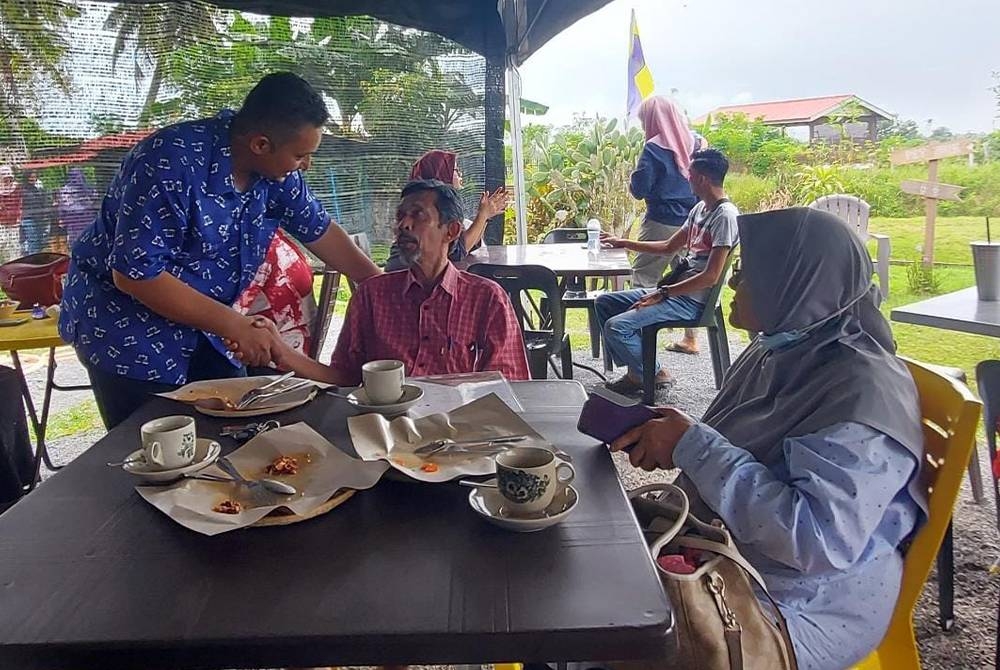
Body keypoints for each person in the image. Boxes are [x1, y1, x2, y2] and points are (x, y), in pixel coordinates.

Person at [609, 207, 927, 670]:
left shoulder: (859, 394)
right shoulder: (781, 349)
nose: (733, 283)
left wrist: (693, 446)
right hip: (734, 556)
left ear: (798, 283)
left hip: (801, 604)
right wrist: (673, 437)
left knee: (602, 621)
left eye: (747, 272)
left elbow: (815, 541)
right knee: (592, 576)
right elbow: (728, 446)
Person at [59, 72, 380, 429]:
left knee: (234, 432)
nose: (306, 165)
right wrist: (236, 326)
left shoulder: (277, 175)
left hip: (208, 328)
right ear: (261, 144)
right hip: (130, 334)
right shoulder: (169, 163)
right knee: (155, 445)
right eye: (301, 155)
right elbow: (135, 275)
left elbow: (319, 229)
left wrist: (381, 286)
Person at [236, 179, 530, 384]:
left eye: (418, 215)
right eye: (400, 216)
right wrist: (282, 352)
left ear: (451, 231)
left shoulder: (486, 298)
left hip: (460, 437)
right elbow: (344, 378)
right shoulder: (372, 296)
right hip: (380, 435)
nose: (403, 224)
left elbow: (511, 384)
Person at [596, 149, 738, 395]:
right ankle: (638, 373)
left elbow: (711, 276)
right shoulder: (699, 209)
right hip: (676, 293)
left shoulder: (725, 217)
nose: (687, 179)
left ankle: (656, 373)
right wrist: (624, 242)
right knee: (604, 303)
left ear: (702, 179)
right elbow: (668, 247)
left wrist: (663, 293)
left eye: (690, 174)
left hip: (693, 301)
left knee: (616, 327)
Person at [629, 96, 701, 355]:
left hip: (661, 222)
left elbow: (640, 189)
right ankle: (690, 338)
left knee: (643, 277)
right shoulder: (698, 142)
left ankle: (638, 341)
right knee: (688, 276)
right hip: (694, 222)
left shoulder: (654, 148)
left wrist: (633, 176)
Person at [384, 149, 506, 271]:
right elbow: (459, 251)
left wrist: (486, 215)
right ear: (442, 171)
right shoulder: (432, 207)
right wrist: (483, 215)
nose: (460, 174)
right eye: (455, 170)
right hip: (403, 277)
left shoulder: (443, 205)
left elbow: (467, 244)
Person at [233, 227, 318, 373]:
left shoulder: (253, 251)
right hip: (298, 354)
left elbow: (222, 324)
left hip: (274, 364)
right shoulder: (274, 239)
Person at [54, 167, 99, 249]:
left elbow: (62, 207)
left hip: (75, 220)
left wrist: (62, 218)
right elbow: (95, 201)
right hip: (85, 218)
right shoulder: (90, 189)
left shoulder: (64, 191)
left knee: (77, 242)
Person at [20, 171, 50, 255]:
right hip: (28, 218)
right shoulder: (22, 190)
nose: (32, 179)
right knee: (32, 240)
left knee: (39, 240)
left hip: (39, 218)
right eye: (31, 177)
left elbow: (44, 202)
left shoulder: (38, 190)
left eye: (34, 177)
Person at [0, 166, 22, 262]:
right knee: (3, 241)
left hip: (14, 220)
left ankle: (14, 263)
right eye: (5, 178)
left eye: (9, 177)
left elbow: (20, 203)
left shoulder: (16, 188)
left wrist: (19, 216)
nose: (7, 180)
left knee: (14, 244)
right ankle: (6, 261)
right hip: (2, 221)